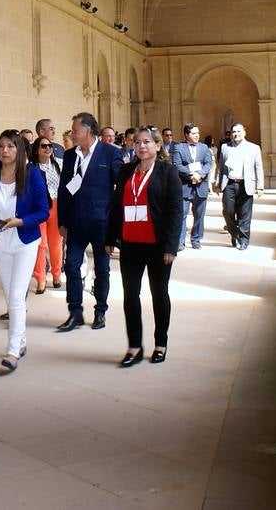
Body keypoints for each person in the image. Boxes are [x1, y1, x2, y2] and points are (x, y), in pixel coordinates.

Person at [0, 130, 51, 371]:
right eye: (1, 146)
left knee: (16, 296)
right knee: (9, 293)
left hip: (24, 241)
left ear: (19, 150)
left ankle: (13, 351)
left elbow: (42, 211)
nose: (5, 151)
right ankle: (21, 341)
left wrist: (19, 221)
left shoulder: (33, 175)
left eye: (10, 146)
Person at [106, 127, 182, 366]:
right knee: (130, 296)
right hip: (131, 244)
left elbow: (175, 211)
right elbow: (116, 207)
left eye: (147, 142)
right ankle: (134, 346)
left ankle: (161, 343)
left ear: (158, 146)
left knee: (159, 295)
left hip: (158, 245)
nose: (141, 146)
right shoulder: (126, 171)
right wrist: (110, 237)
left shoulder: (168, 173)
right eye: (137, 142)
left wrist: (171, 246)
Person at [56, 112, 125, 332]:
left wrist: (115, 228)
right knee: (72, 267)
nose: (73, 134)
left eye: (76, 130)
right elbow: (64, 191)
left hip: (101, 223)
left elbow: (120, 190)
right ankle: (75, 312)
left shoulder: (110, 154)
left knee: (102, 269)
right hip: (75, 223)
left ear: (88, 131)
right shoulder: (69, 156)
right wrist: (62, 221)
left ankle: (100, 312)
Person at [216, 123, 265, 250]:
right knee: (228, 211)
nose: (236, 134)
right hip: (230, 184)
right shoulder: (225, 147)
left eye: (238, 131)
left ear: (244, 132)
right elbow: (221, 167)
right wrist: (218, 183)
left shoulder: (254, 148)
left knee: (245, 214)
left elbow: (259, 168)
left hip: (246, 184)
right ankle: (234, 234)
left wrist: (260, 186)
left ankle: (243, 240)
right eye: (233, 132)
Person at [30, 136, 64, 293]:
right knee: (40, 245)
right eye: (43, 146)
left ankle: (57, 274)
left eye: (50, 146)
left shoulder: (59, 165)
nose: (48, 148)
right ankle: (41, 279)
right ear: (37, 150)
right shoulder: (32, 168)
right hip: (40, 208)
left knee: (56, 244)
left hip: (57, 206)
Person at [172, 124, 214, 250]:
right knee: (181, 215)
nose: (197, 135)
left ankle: (196, 239)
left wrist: (200, 174)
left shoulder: (204, 147)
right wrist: (191, 176)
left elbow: (208, 164)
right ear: (186, 135)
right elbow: (177, 165)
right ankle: (180, 241)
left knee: (199, 215)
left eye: (198, 133)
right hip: (185, 186)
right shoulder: (179, 147)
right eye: (194, 133)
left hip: (200, 186)